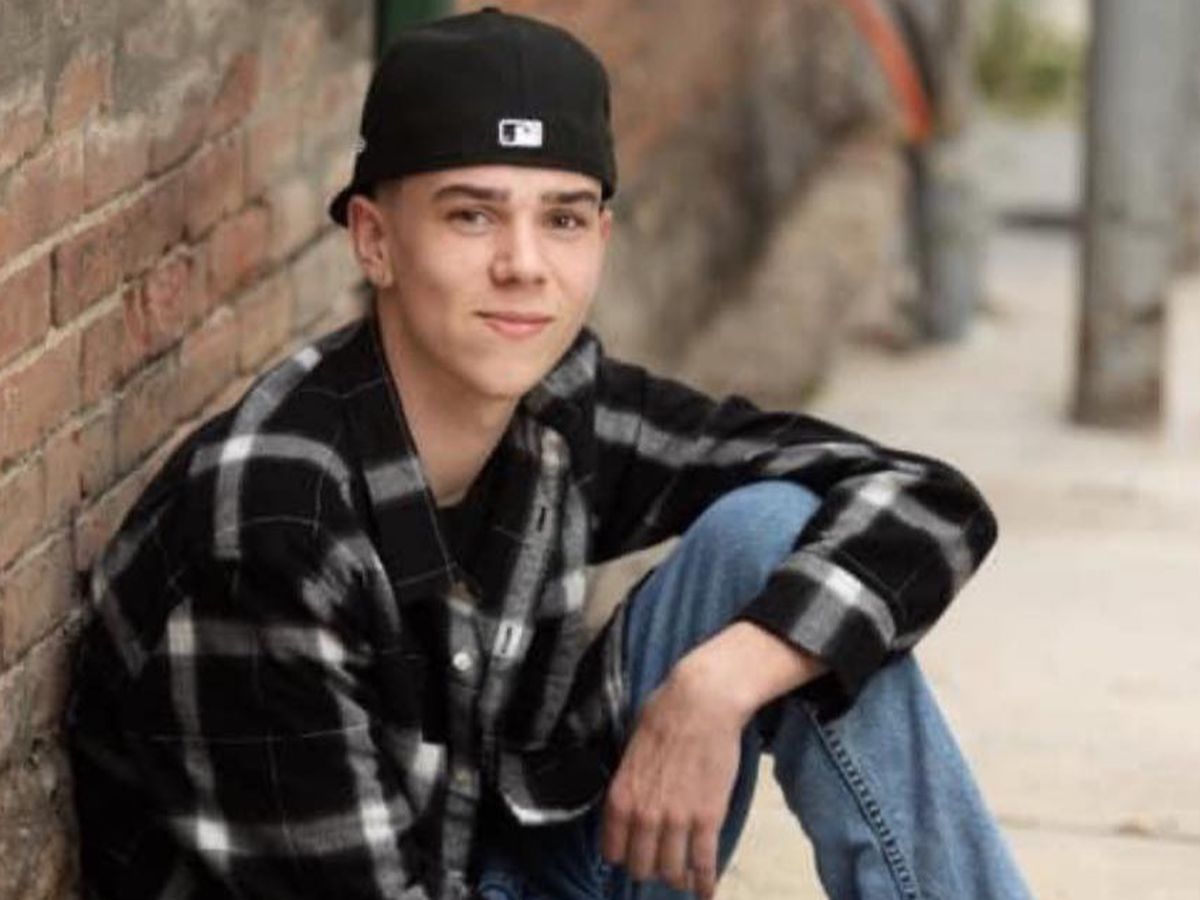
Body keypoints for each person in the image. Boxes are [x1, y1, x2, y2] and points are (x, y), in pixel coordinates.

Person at [67, 7, 1032, 900]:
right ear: (374, 240)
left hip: (515, 859)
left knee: (777, 540)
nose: (524, 265)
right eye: (472, 215)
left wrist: (718, 684)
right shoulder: (275, 530)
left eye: (562, 218)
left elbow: (924, 501)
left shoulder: (558, 407)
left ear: (600, 238)